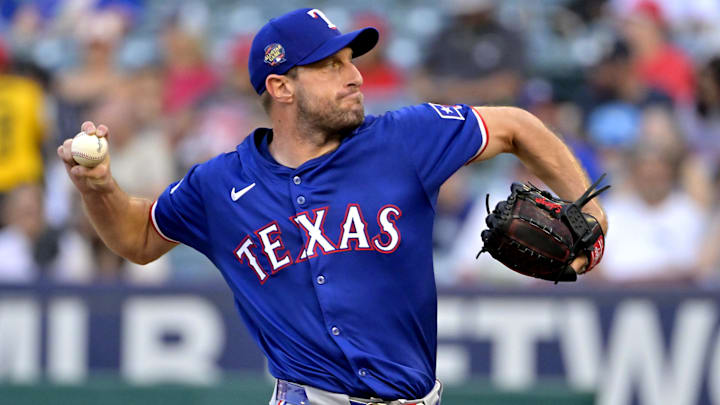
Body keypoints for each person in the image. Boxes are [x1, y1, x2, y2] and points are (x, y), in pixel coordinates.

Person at [57, 8, 608, 405]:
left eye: (351, 59)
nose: (355, 75)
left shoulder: (402, 140)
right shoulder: (219, 185)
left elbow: (516, 126)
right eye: (330, 65)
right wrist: (99, 188)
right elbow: (139, 239)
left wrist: (590, 209)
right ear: (282, 86)